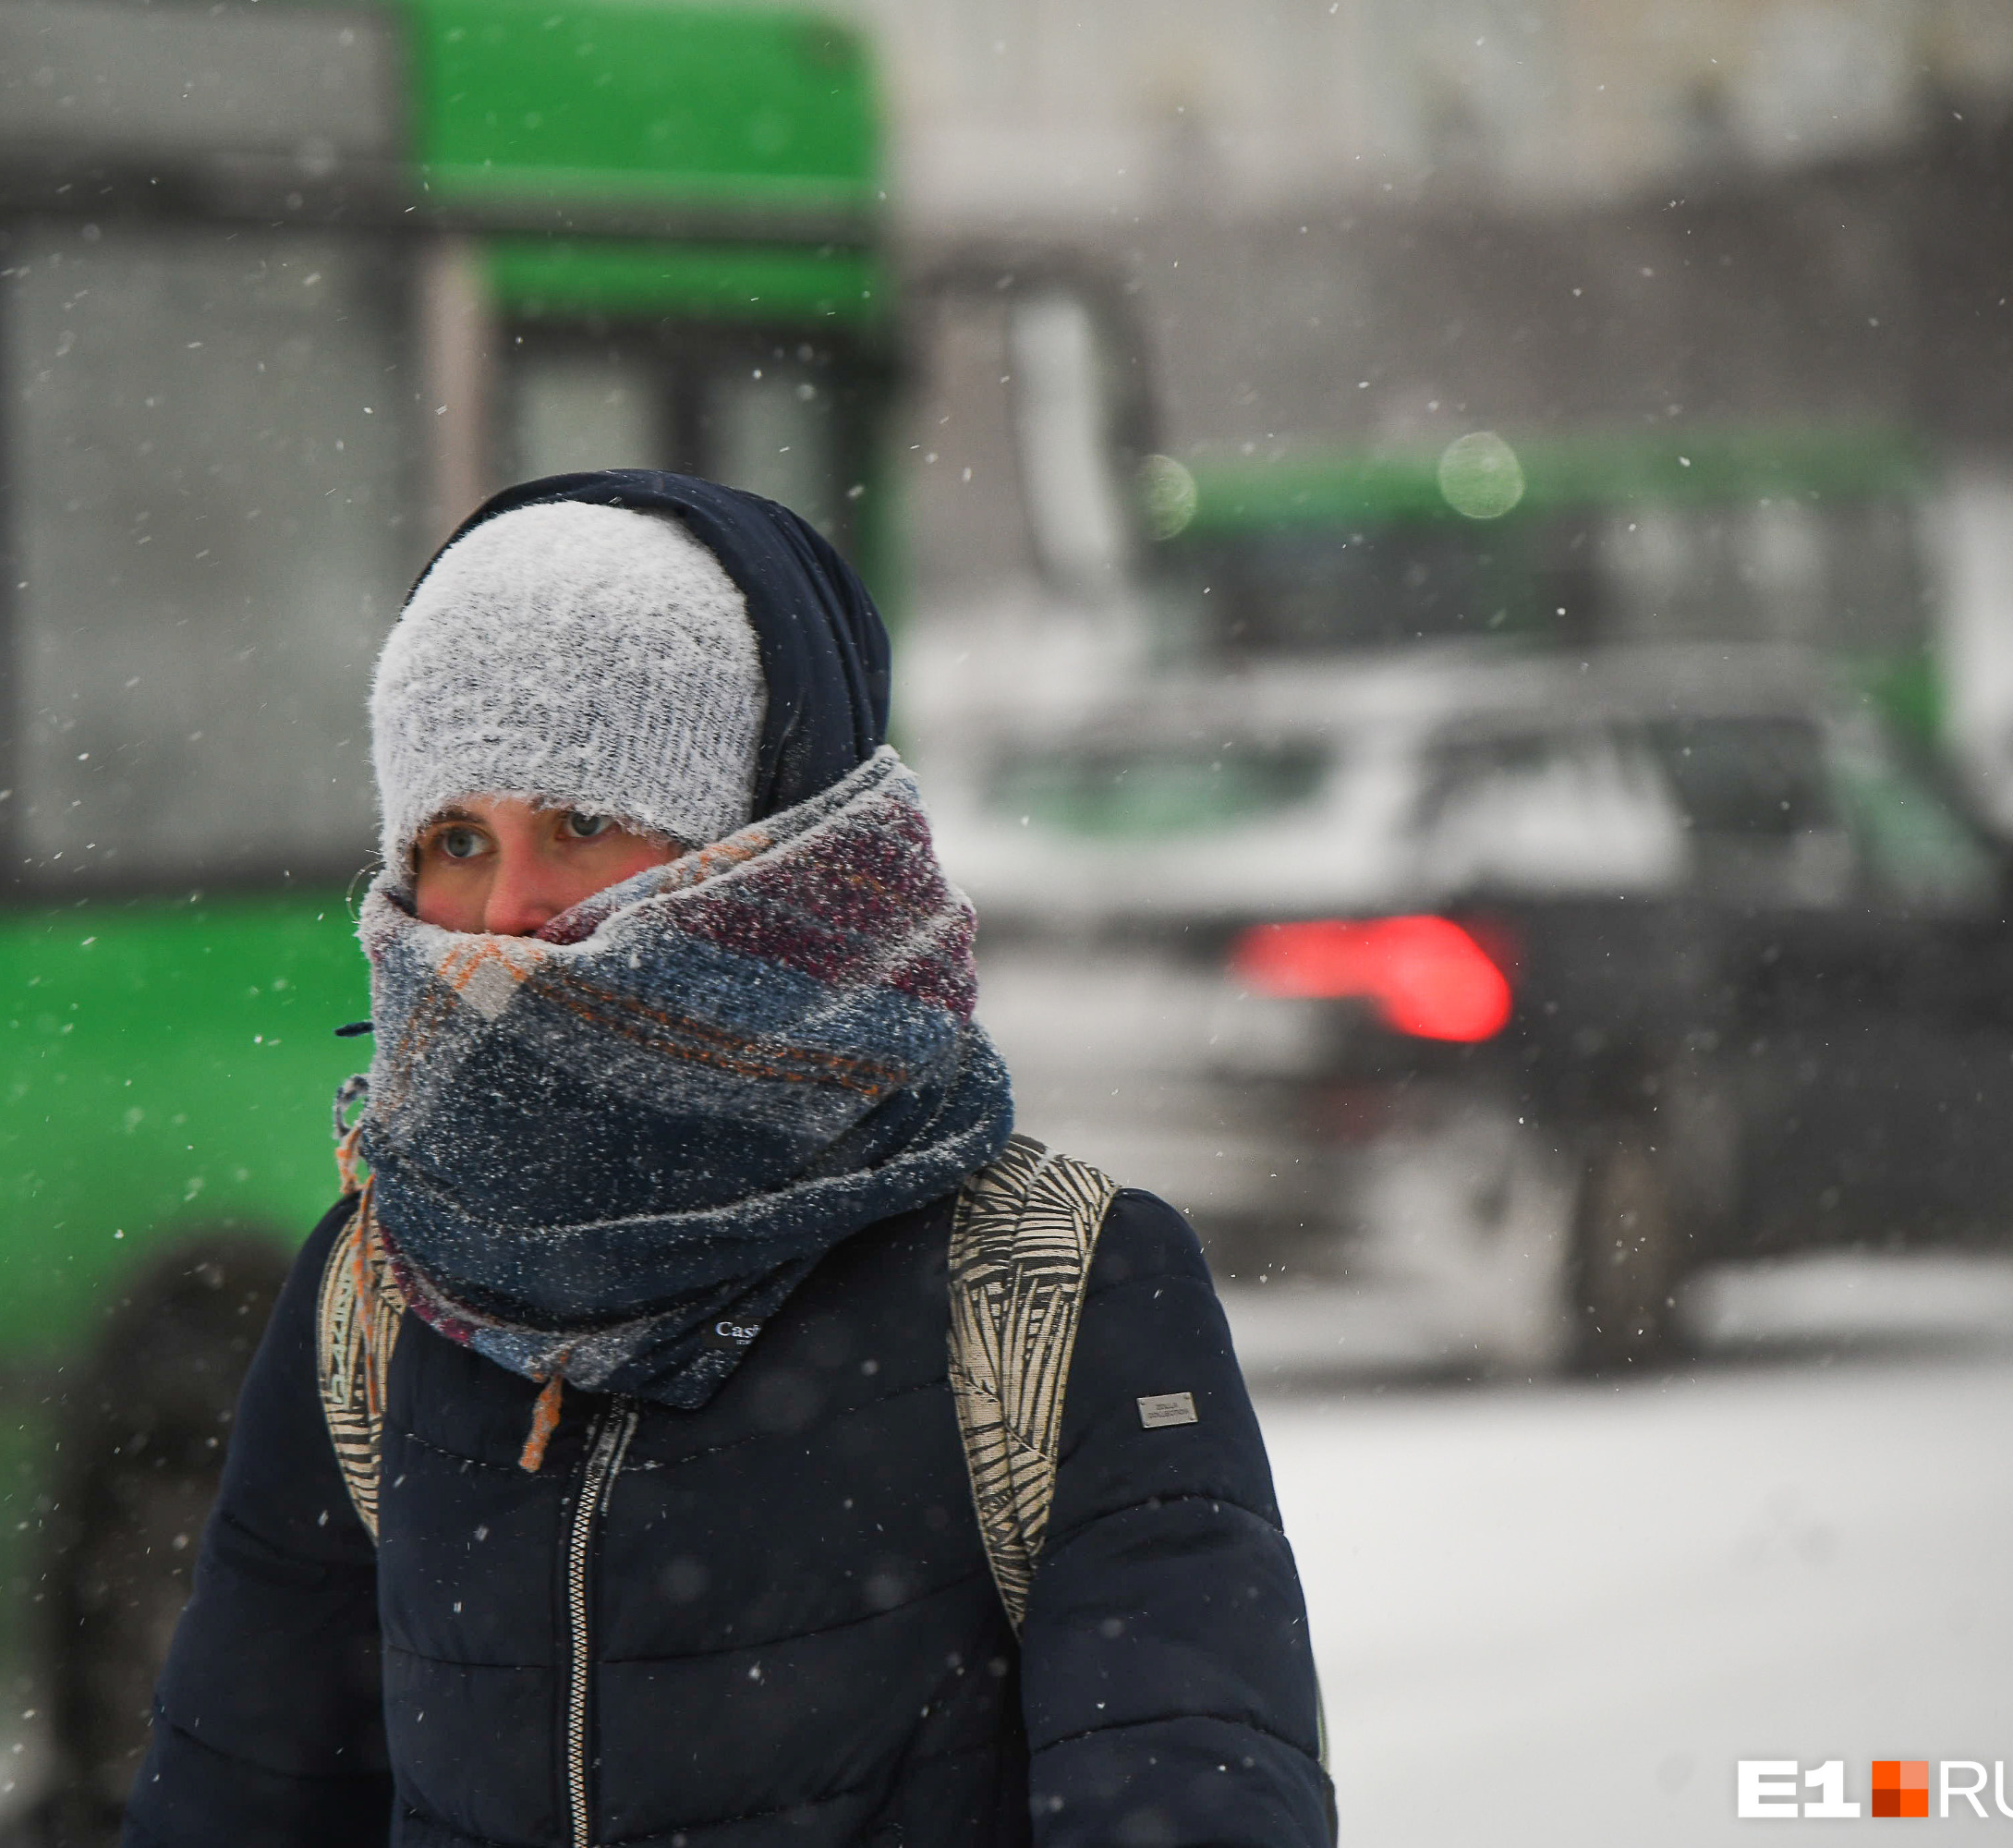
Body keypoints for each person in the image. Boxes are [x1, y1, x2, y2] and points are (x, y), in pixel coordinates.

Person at [124, 471, 1334, 1848]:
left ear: (770, 838)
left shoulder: (1058, 1290)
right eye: (457, 841)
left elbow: (1186, 1790)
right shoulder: (373, 1302)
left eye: (581, 821)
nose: (508, 907)